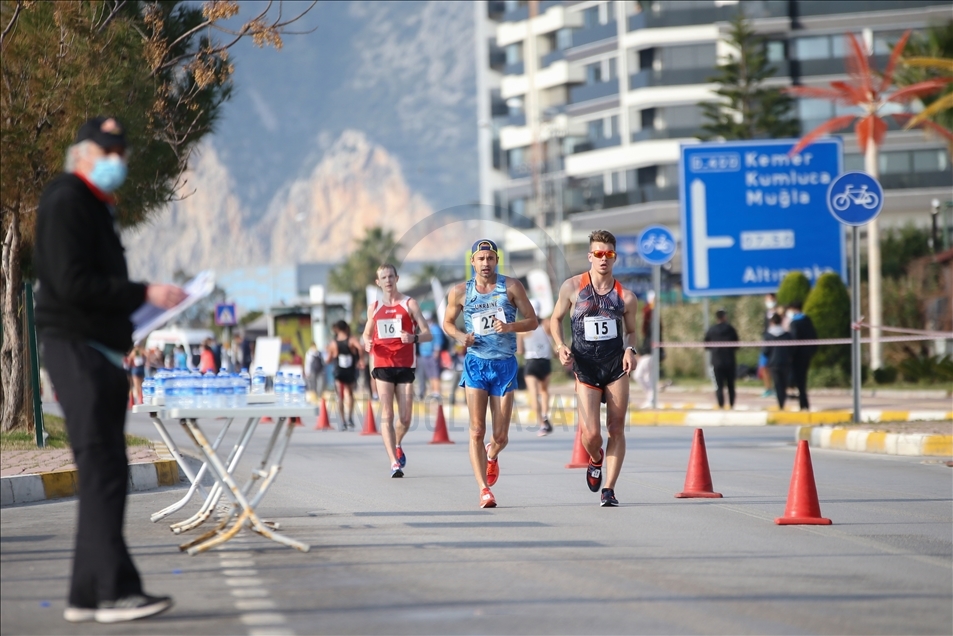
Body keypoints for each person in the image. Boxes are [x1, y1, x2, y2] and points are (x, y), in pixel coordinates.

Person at [34, 116, 184, 623]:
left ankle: (84, 593)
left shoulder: (95, 206)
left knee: (106, 471)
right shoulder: (66, 201)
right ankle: (115, 592)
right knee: (104, 472)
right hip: (76, 348)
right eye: (106, 149)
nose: (117, 160)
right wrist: (143, 293)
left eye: (121, 150)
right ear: (81, 153)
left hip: (96, 349)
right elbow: (73, 283)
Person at [443, 239, 537, 508]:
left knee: (500, 436)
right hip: (476, 364)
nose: (486, 263)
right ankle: (484, 489)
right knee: (476, 429)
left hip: (504, 364)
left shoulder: (511, 287)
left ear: (497, 261)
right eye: (481, 258)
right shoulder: (460, 292)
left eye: (490, 258)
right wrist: (462, 336)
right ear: (472, 261)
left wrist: (509, 327)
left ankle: (492, 454)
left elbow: (532, 320)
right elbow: (447, 323)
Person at [551, 230, 639, 508]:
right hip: (585, 366)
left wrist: (630, 349)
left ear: (615, 257)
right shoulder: (573, 287)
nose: (604, 259)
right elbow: (555, 319)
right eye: (598, 254)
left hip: (615, 366)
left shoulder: (626, 296)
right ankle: (595, 459)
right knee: (591, 435)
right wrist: (559, 345)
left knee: (616, 427)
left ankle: (609, 490)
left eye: (609, 254)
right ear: (590, 256)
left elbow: (633, 332)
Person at [362, 264, 432, 477]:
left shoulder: (409, 304)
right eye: (383, 277)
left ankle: (398, 442)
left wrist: (414, 338)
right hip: (382, 364)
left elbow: (428, 333)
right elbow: (366, 334)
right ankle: (394, 462)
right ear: (378, 282)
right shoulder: (374, 308)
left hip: (404, 365)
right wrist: (366, 342)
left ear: (397, 278)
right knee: (387, 413)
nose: (388, 280)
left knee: (405, 418)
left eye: (391, 276)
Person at [517, 299, 554, 436]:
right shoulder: (547, 323)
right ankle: (545, 415)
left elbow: (520, 350)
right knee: (544, 391)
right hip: (545, 361)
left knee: (533, 394)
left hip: (531, 362)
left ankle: (542, 424)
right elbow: (554, 340)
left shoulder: (523, 326)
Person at [327, 320, 364, 430]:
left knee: (340, 396)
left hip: (339, 372)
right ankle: (350, 418)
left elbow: (329, 358)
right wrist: (360, 359)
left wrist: (328, 359)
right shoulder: (351, 340)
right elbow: (360, 348)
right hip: (350, 371)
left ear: (337, 329)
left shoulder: (333, 343)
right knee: (350, 394)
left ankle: (342, 420)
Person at [704, 309, 740, 409]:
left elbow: (706, 345)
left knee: (719, 386)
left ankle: (721, 405)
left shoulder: (711, 330)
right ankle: (732, 405)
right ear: (724, 317)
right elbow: (736, 345)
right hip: (730, 361)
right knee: (731, 385)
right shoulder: (731, 329)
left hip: (716, 361)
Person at [787, 300, 818, 411]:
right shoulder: (807, 320)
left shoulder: (795, 323)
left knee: (799, 380)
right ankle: (804, 402)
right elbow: (814, 336)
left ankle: (803, 403)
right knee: (802, 379)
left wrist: (790, 355)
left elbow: (794, 341)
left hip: (797, 356)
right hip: (807, 354)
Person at [633, 290, 661, 408]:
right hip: (650, 351)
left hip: (650, 351)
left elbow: (651, 336)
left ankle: (651, 398)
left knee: (638, 375)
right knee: (647, 376)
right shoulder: (652, 316)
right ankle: (651, 399)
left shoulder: (653, 316)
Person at [762, 313, 793, 410]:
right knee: (784, 383)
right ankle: (782, 401)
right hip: (785, 362)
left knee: (777, 383)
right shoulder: (787, 334)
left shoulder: (768, 335)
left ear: (771, 322)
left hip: (773, 363)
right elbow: (792, 349)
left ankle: (780, 403)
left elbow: (765, 351)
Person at [416, 311, 445, 400]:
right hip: (425, 354)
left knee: (435, 374)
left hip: (432, 354)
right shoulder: (424, 329)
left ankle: (437, 393)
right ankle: (433, 392)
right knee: (430, 375)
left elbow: (438, 341)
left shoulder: (435, 328)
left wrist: (436, 351)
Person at [758, 293, 778, 397]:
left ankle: (777, 388)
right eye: (767, 299)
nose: (769, 302)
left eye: (771, 299)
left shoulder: (779, 313)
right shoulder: (766, 314)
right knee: (763, 366)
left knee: (775, 367)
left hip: (776, 343)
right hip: (766, 342)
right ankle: (768, 388)